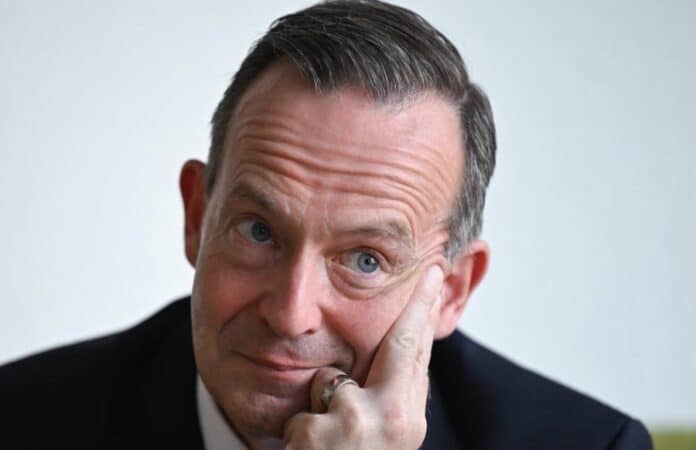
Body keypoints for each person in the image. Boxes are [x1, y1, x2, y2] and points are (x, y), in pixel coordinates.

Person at [0, 1, 653, 449]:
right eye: (258, 231)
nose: (291, 315)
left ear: (452, 290)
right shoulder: (23, 420)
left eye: (365, 260)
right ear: (198, 216)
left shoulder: (587, 445)